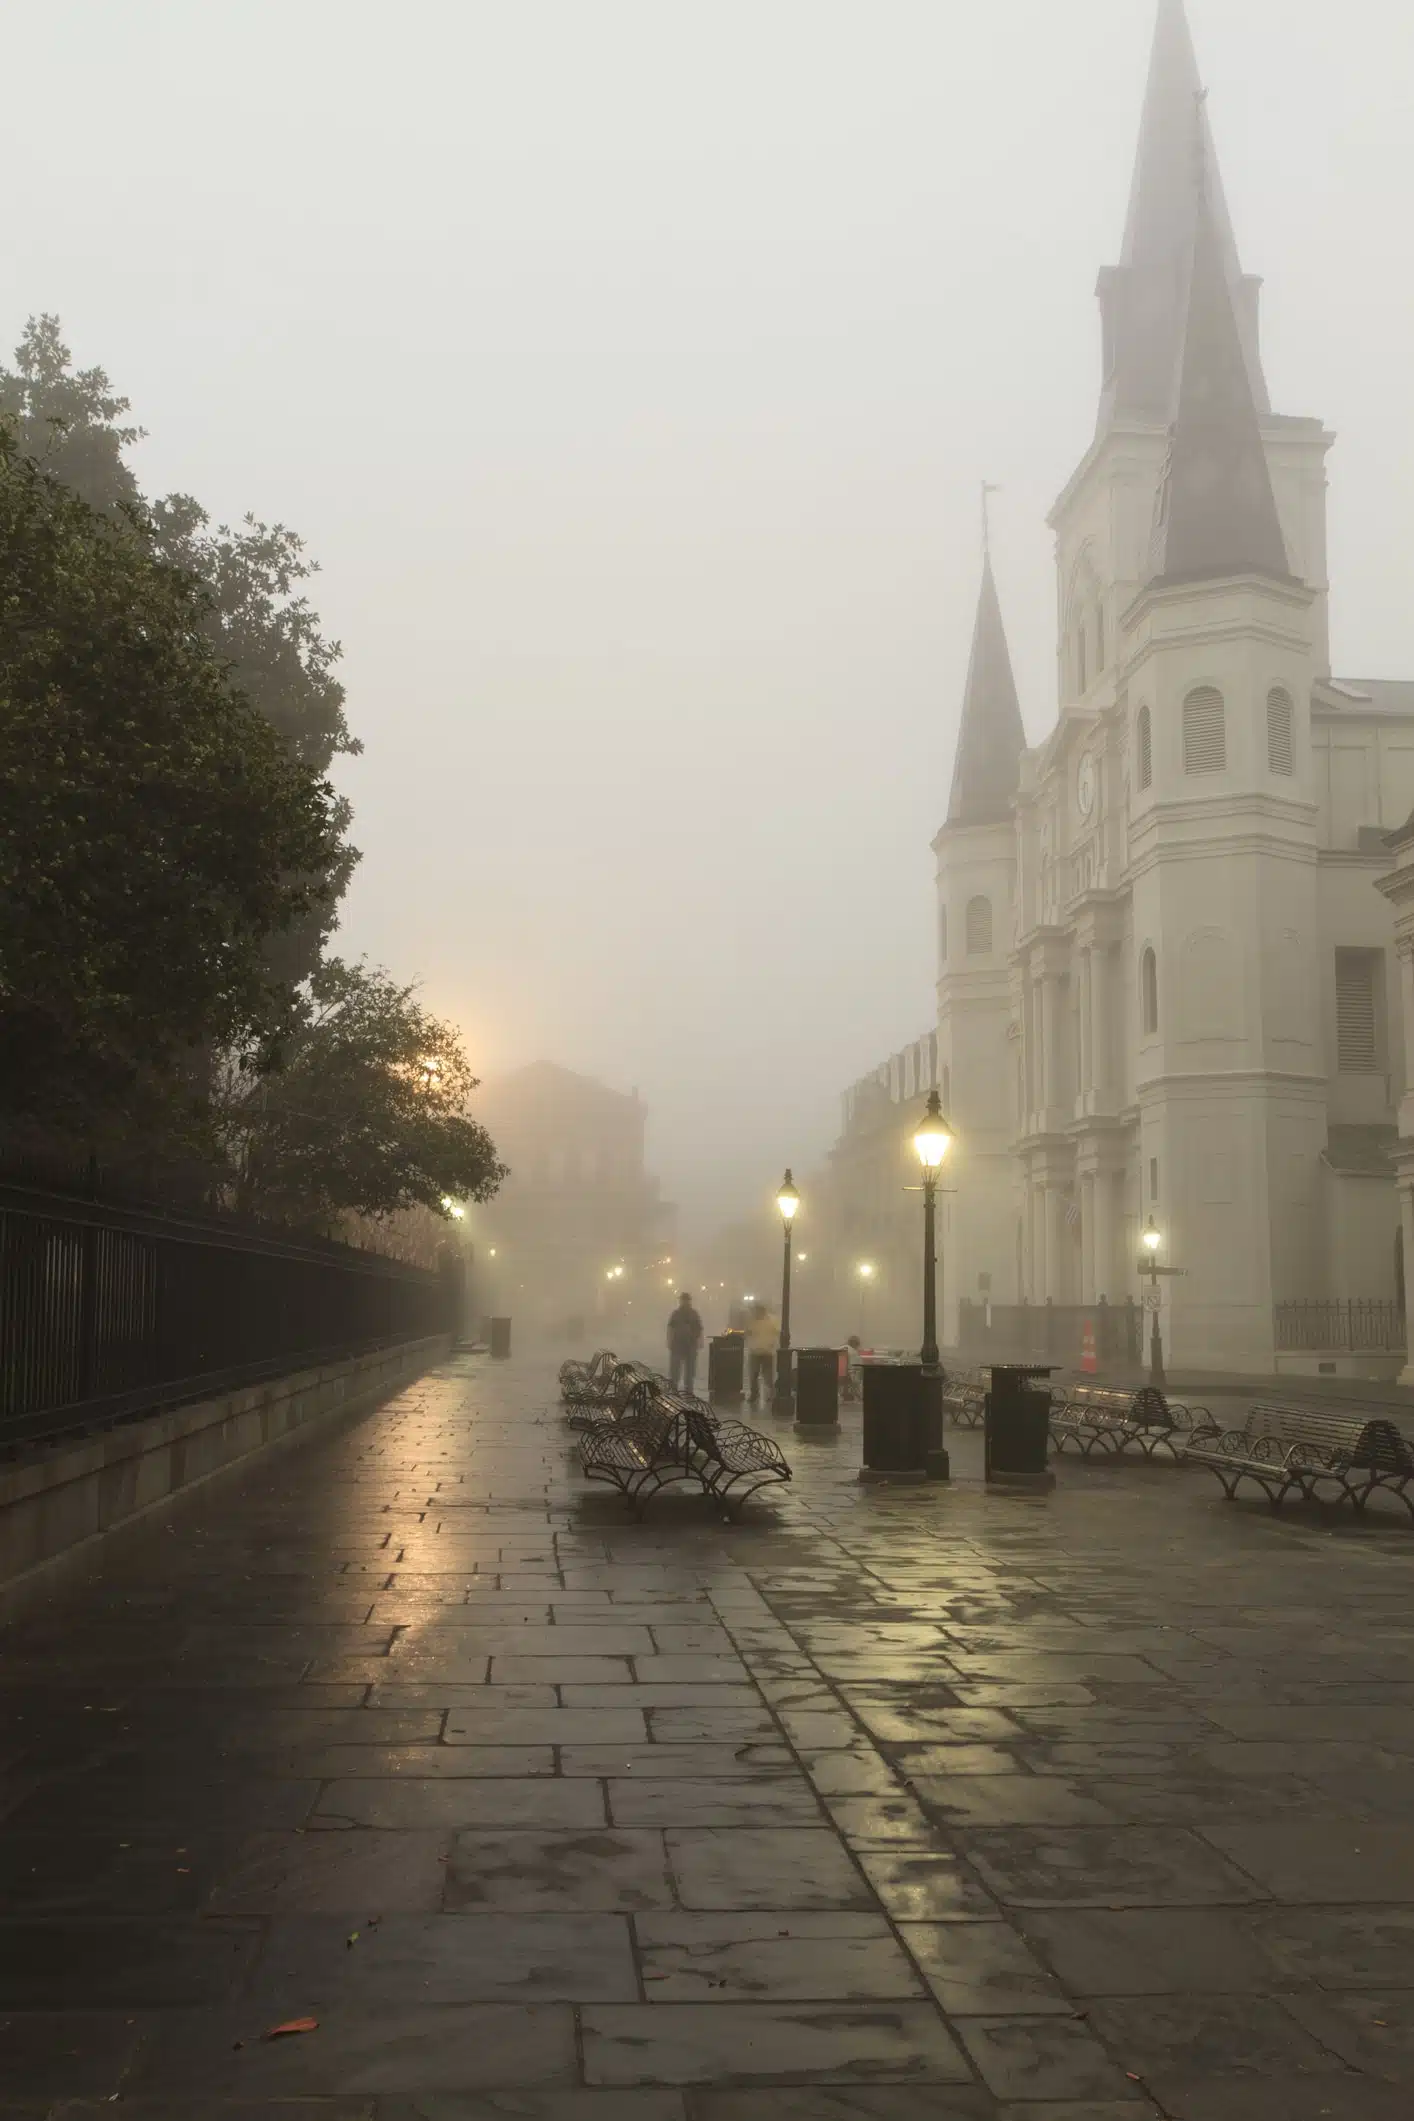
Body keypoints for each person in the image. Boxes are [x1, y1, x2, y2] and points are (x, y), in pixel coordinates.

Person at [666, 1290, 704, 1396]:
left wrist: (699, 1342)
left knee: (690, 1370)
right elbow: (670, 1328)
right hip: (678, 1344)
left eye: (685, 1300)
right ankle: (674, 1388)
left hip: (690, 1345)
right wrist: (669, 1341)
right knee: (675, 1370)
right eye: (683, 1300)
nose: (684, 1302)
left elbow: (699, 1329)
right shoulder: (677, 1313)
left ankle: (688, 1390)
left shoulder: (693, 1314)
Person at [746, 1300, 778, 1409]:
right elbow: (748, 1333)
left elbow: (776, 1332)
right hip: (755, 1351)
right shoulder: (752, 1320)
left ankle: (771, 1394)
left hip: (766, 1352)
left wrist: (771, 1344)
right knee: (753, 1375)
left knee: (767, 1375)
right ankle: (755, 1394)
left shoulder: (770, 1320)